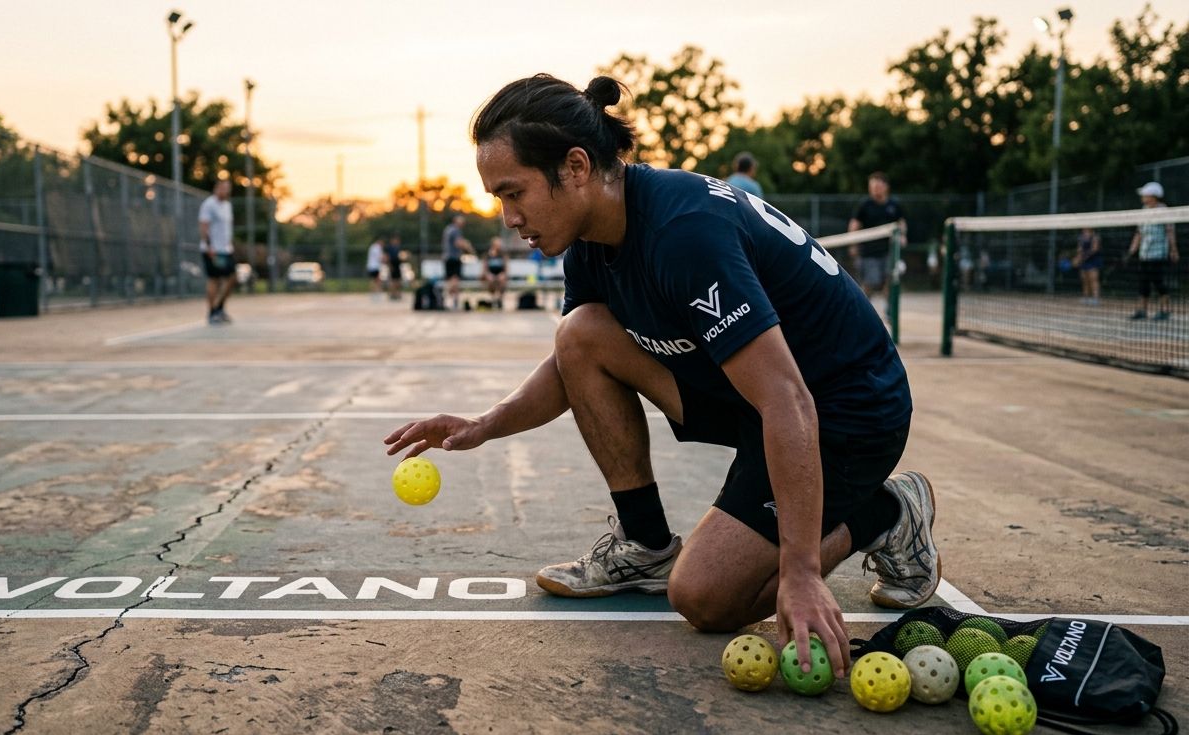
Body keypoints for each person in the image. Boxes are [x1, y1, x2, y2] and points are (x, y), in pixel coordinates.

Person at [384, 74, 938, 678]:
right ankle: (645, 545)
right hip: (754, 393)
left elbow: (788, 398)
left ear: (574, 167)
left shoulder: (682, 233)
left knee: (706, 599)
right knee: (580, 333)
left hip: (845, 411)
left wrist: (802, 570)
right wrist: (484, 424)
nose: (509, 217)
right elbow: (573, 363)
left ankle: (885, 512)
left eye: (514, 193)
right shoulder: (591, 236)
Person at [847, 172, 907, 299]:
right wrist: (852, 244)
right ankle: (863, 310)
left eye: (877, 187)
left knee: (892, 280)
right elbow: (854, 225)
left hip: (889, 251)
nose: (874, 190)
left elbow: (901, 223)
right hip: (869, 252)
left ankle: (890, 313)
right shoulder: (864, 205)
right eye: (872, 187)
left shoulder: (894, 205)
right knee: (870, 283)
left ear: (886, 187)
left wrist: (902, 236)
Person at [1127, 182, 1179, 321]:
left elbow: (1170, 231)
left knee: (1158, 282)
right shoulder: (1143, 210)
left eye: (1145, 194)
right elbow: (1139, 233)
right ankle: (1142, 311)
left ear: (1153, 196)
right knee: (1143, 282)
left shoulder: (1163, 211)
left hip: (1158, 254)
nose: (1143, 197)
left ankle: (1165, 310)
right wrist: (1132, 250)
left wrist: (1173, 250)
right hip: (1144, 254)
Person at [198, 179, 236, 324]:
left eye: (227, 188)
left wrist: (229, 244)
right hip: (213, 250)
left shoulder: (227, 205)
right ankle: (212, 312)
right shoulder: (209, 204)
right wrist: (209, 247)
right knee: (214, 279)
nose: (225, 191)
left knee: (231, 278)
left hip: (226, 250)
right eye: (222, 188)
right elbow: (204, 226)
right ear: (216, 188)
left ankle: (219, 307)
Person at [442, 214, 472, 310]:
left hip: (447, 258)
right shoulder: (455, 230)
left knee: (450, 280)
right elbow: (458, 243)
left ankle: (448, 300)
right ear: (456, 221)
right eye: (462, 222)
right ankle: (452, 300)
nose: (463, 224)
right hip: (454, 258)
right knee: (455, 280)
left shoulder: (448, 229)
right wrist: (468, 247)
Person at [1073, 227, 1102, 306]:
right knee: (1085, 279)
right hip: (1084, 261)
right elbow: (1079, 249)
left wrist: (1082, 257)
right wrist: (1077, 258)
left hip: (1093, 260)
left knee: (1093, 279)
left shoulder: (1095, 237)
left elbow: (1094, 249)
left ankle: (1096, 298)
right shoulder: (1081, 237)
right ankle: (1086, 298)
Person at [482, 236, 510, 309]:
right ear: (493, 245)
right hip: (490, 275)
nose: (499, 246)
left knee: (502, 280)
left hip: (500, 274)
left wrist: (503, 274)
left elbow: (506, 269)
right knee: (490, 280)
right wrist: (488, 275)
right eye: (498, 244)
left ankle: (499, 300)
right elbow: (485, 269)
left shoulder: (503, 255)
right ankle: (493, 299)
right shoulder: (487, 255)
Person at [384, 233, 405, 301]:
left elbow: (400, 257)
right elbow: (388, 257)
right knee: (393, 281)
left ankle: (397, 294)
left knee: (398, 281)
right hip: (393, 265)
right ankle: (392, 294)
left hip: (397, 265)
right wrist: (389, 265)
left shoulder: (398, 248)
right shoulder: (390, 248)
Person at [366, 235, 386, 300]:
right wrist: (385, 259)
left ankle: (374, 294)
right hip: (375, 266)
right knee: (376, 281)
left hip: (372, 266)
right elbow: (380, 258)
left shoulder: (373, 247)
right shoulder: (377, 248)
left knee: (374, 280)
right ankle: (376, 294)